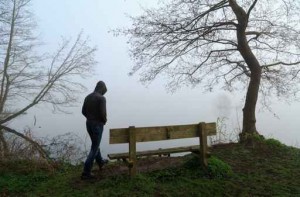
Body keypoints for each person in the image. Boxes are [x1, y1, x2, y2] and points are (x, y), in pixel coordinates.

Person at [81, 81, 108, 180]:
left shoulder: (88, 97)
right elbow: (102, 113)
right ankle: (86, 172)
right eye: (104, 91)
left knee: (95, 144)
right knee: (94, 147)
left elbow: (83, 111)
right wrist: (104, 121)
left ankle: (100, 162)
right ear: (102, 88)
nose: (104, 93)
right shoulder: (101, 98)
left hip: (88, 124)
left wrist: (90, 118)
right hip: (97, 125)